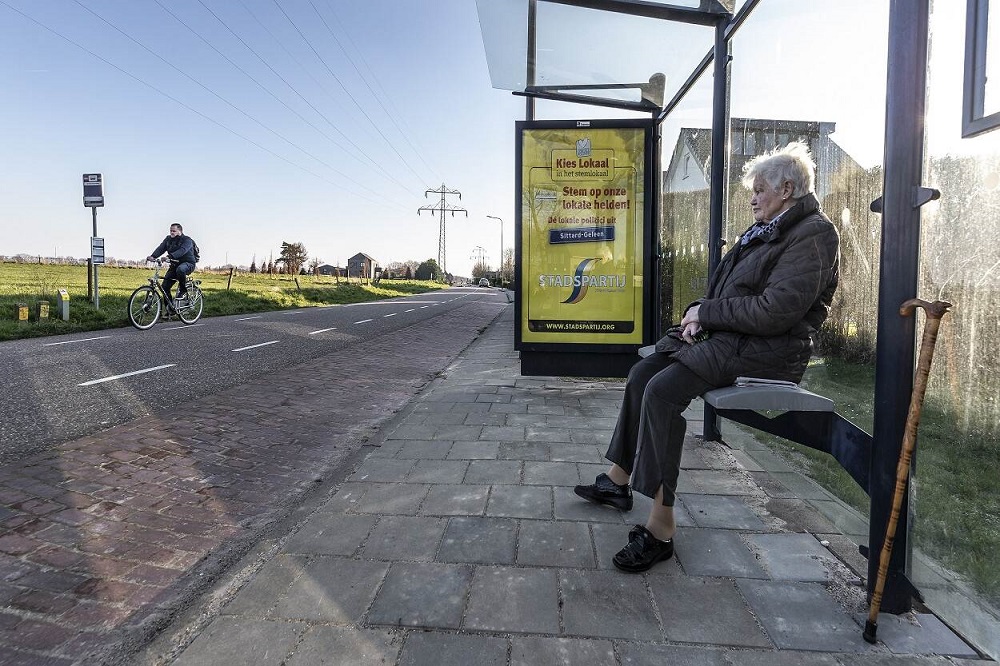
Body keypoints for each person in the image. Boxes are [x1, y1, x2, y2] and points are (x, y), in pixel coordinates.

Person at [574, 141, 840, 573]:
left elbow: (777, 311)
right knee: (643, 372)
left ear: (787, 189)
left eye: (759, 190)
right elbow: (731, 295)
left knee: (661, 393)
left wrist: (707, 312)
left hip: (769, 352)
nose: (752, 197)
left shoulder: (814, 235)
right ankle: (619, 481)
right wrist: (698, 314)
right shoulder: (767, 230)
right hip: (733, 339)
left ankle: (661, 530)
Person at [147, 223, 197, 307]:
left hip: (188, 264)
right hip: (174, 265)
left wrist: (169, 256)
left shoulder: (187, 240)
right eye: (171, 231)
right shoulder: (168, 239)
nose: (172, 232)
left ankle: (183, 290)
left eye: (174, 231)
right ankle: (169, 309)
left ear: (180, 231)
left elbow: (182, 250)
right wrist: (153, 256)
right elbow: (161, 248)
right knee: (164, 287)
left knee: (181, 269)